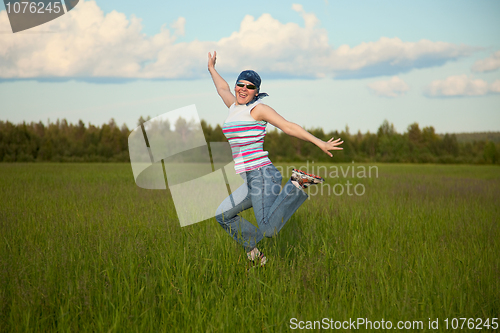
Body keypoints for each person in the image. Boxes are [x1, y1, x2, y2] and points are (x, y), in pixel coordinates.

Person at [208, 51, 343, 267]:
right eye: (240, 84)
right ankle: (255, 256)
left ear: (256, 91)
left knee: (268, 229)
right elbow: (221, 88)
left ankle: (297, 184)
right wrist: (212, 69)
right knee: (223, 216)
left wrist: (320, 142)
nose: (243, 89)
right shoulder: (233, 107)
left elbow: (288, 126)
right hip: (249, 180)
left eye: (250, 86)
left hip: (262, 174)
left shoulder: (258, 109)